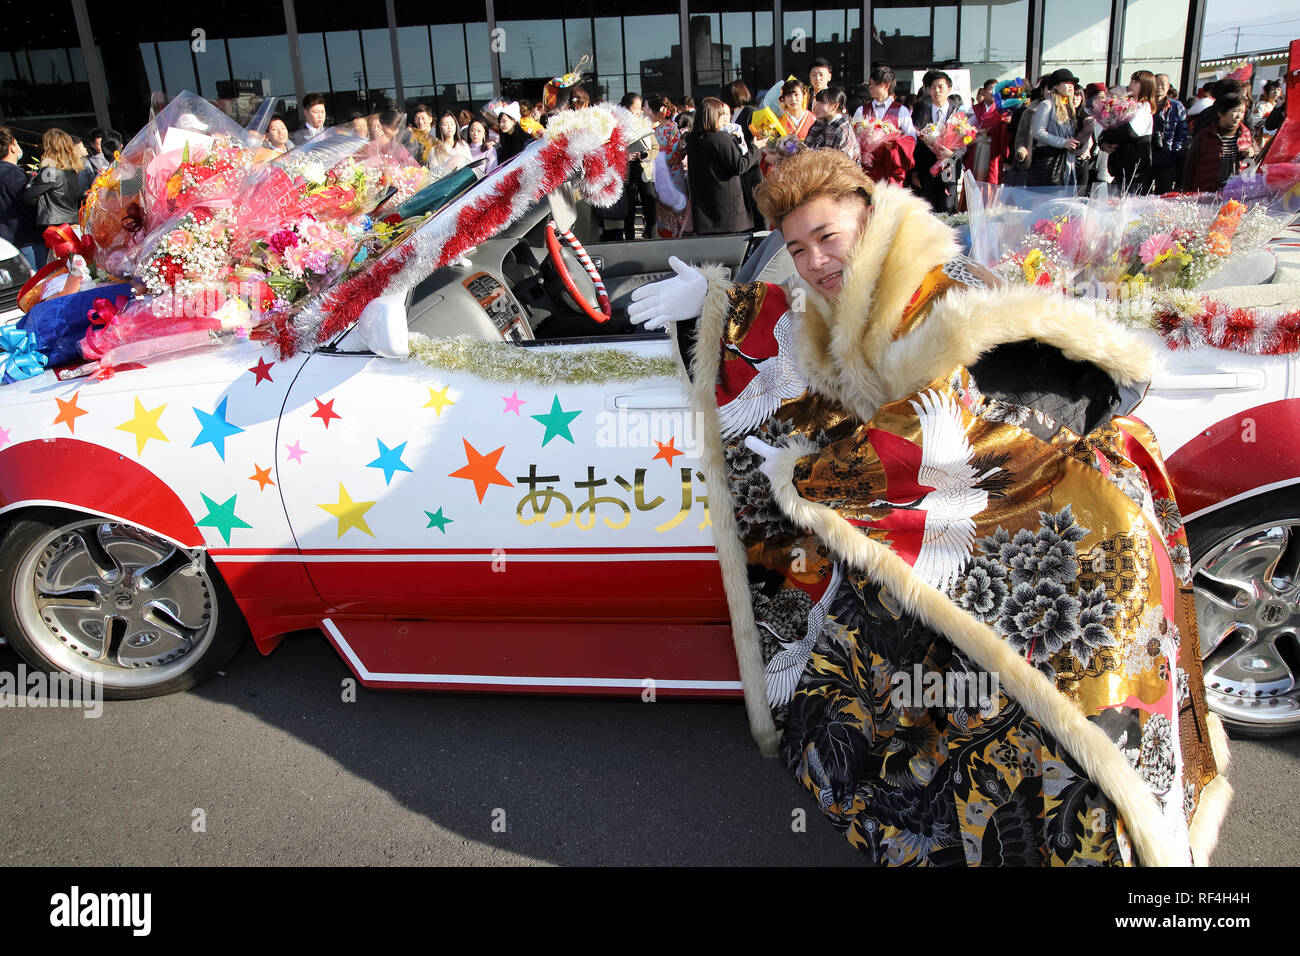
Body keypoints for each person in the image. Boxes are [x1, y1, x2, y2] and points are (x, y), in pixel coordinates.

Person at [627, 147, 1230, 866]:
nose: (815, 262)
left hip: (1075, 528)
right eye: (797, 248)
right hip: (993, 522)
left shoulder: (943, 291)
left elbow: (953, 425)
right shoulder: (851, 296)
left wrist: (813, 472)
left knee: (1075, 713)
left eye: (827, 237)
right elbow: (811, 355)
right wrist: (718, 302)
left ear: (867, 217)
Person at [685, 96, 764, 235]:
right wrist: (756, 148)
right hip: (727, 210)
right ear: (713, 116)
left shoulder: (692, 139)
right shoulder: (720, 138)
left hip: (704, 210)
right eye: (721, 114)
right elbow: (739, 166)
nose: (724, 118)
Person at [911, 70, 964, 212]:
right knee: (928, 208)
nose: (937, 91)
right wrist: (914, 171)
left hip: (949, 167)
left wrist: (952, 154)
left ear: (949, 89)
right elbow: (915, 140)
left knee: (948, 206)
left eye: (940, 87)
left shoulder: (958, 112)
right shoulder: (921, 110)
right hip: (926, 169)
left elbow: (965, 141)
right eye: (933, 87)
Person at [1100, 70, 1156, 192]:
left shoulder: (1144, 107)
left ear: (1146, 86)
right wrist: (1103, 142)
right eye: (1131, 81)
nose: (1131, 85)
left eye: (1136, 82)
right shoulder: (1126, 104)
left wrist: (1107, 135)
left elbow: (1129, 132)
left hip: (1135, 170)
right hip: (1120, 165)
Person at [22, 128, 86, 231]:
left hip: (56, 226)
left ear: (48, 148)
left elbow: (28, 197)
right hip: (73, 222)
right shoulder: (72, 169)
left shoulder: (50, 171)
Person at [1183, 93, 1247, 192]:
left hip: (1235, 192)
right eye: (1235, 111)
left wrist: (1250, 154)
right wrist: (1187, 192)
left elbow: (1251, 164)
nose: (1239, 116)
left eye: (1242, 112)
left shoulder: (1245, 134)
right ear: (1221, 112)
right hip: (1207, 192)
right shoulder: (1205, 136)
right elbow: (1190, 166)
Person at [1027, 69, 1080, 187]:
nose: (1071, 86)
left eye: (1072, 83)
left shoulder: (1070, 107)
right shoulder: (1047, 105)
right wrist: (1063, 142)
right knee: (1047, 195)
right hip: (1049, 161)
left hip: (1068, 161)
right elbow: (1038, 132)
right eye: (1066, 82)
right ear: (1055, 86)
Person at [0, 127, 42, 269]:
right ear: (12, 147)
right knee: (37, 280)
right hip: (25, 240)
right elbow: (27, 202)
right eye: (16, 143)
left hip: (6, 243)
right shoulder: (12, 173)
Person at [649, 94, 689, 239]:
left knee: (675, 207)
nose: (646, 112)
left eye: (648, 109)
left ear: (657, 111)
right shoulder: (652, 129)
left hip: (671, 173)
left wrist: (654, 162)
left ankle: (679, 237)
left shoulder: (672, 127)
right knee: (661, 208)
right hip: (658, 173)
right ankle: (664, 237)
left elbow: (673, 153)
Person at [725, 80, 763, 231]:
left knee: (757, 207)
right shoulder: (732, 114)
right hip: (740, 165)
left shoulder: (750, 112)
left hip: (752, 165)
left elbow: (762, 137)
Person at [620, 92, 657, 240]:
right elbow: (610, 152)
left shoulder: (644, 124)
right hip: (627, 171)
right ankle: (629, 240)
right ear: (625, 108)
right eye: (634, 109)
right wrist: (625, 156)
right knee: (629, 208)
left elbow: (655, 148)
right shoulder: (617, 126)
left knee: (650, 205)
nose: (638, 112)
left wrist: (646, 155)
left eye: (640, 108)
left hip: (644, 170)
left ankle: (652, 236)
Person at [1151, 74, 1189, 194]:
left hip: (1168, 155)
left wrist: (1175, 149)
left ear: (1168, 87)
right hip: (1147, 154)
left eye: (1163, 84)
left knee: (1164, 193)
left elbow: (1182, 131)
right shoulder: (1145, 104)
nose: (1160, 87)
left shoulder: (1176, 106)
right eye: (1157, 84)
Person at [804, 87, 859, 164]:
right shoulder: (821, 122)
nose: (816, 107)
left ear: (835, 106)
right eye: (817, 103)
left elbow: (844, 164)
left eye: (821, 103)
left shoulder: (842, 129)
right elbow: (807, 146)